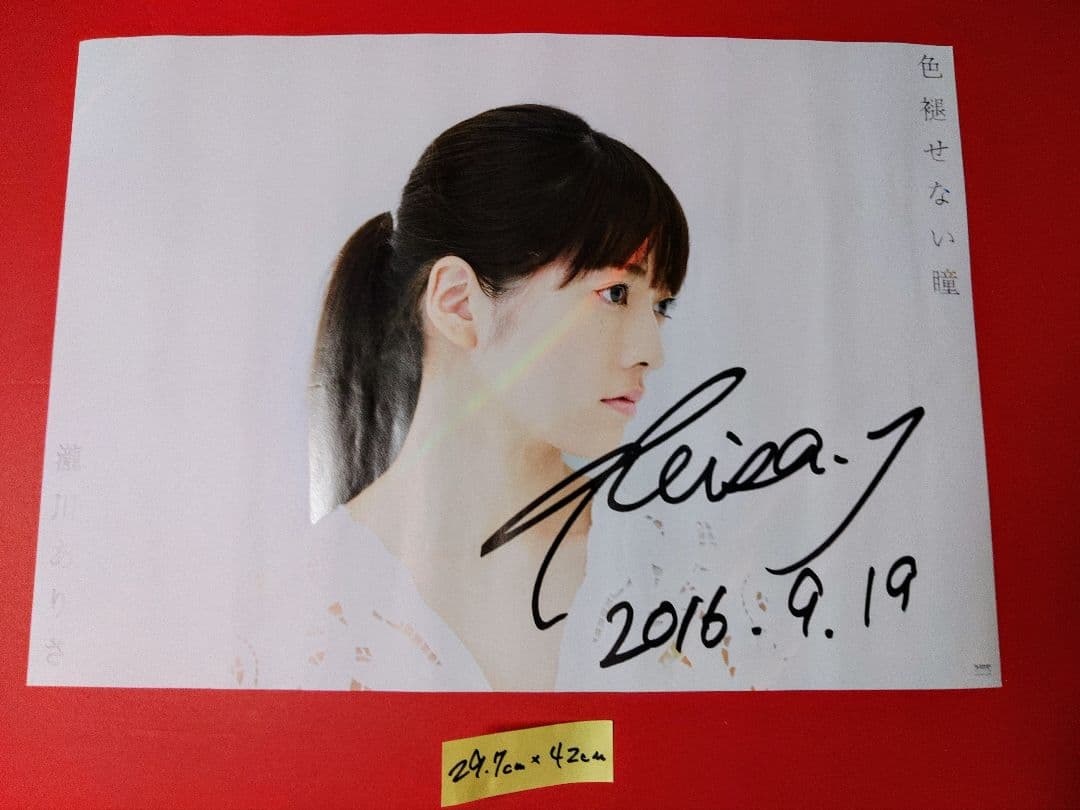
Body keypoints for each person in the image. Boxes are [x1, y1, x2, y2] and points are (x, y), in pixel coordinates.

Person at [306, 104, 689, 690]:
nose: (651, 351)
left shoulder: (671, 568)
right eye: (616, 293)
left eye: (661, 306)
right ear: (459, 303)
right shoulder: (306, 600)